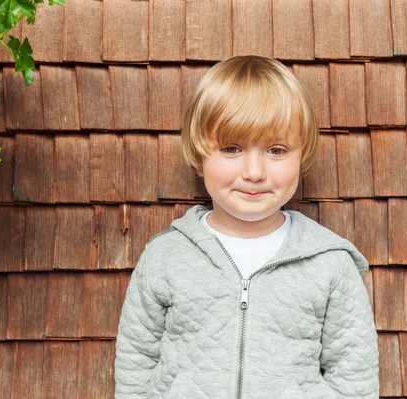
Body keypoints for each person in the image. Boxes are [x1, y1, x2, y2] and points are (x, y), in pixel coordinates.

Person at [115, 55, 379, 398]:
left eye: (276, 149)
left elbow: (354, 377)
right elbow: (136, 364)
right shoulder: (165, 256)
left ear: (303, 155)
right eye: (232, 148)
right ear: (199, 155)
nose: (254, 172)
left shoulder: (330, 263)